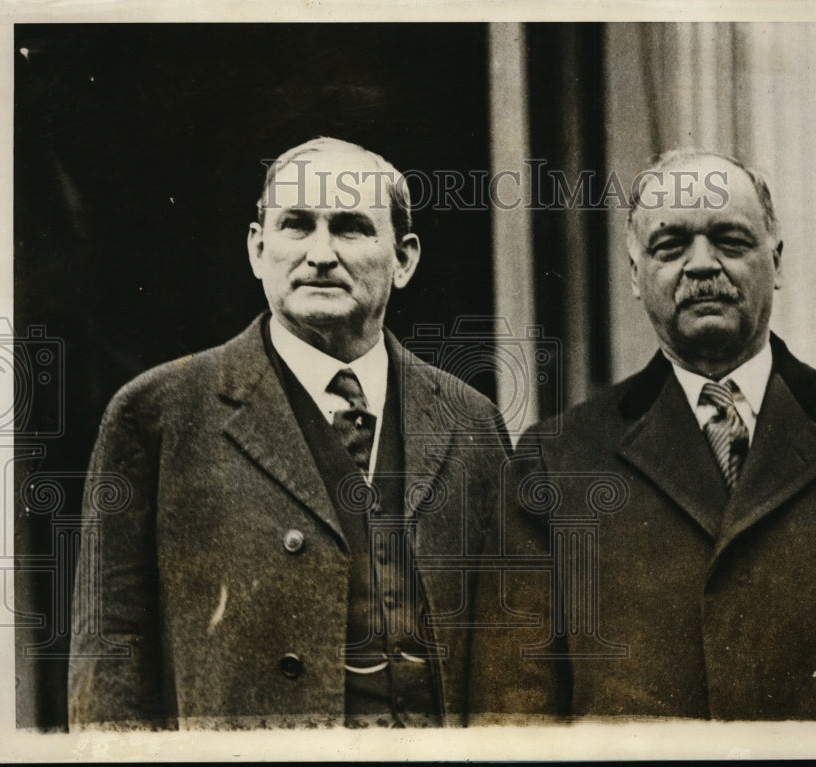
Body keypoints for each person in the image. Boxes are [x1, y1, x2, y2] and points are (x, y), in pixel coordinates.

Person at [470, 149, 816, 720]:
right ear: (634, 274)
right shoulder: (557, 460)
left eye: (730, 240)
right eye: (670, 245)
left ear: (776, 262)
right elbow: (513, 711)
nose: (702, 265)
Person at [68, 137, 509, 729]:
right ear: (257, 249)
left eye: (351, 227)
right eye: (296, 226)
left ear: (404, 259)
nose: (321, 254)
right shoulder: (158, 416)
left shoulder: (470, 420)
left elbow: (513, 652)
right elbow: (109, 661)